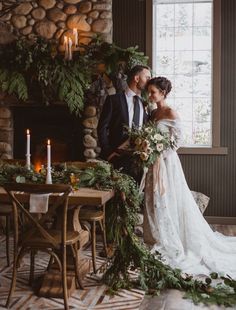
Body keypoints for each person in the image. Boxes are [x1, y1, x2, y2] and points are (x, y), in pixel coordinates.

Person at [143, 76, 236, 277]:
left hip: (167, 163)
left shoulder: (170, 112)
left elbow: (177, 141)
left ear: (163, 93)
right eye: (149, 91)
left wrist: (160, 151)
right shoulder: (151, 113)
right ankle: (155, 237)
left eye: (153, 92)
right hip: (153, 164)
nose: (150, 95)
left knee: (168, 198)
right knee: (152, 200)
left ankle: (172, 239)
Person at [97, 65, 151, 183]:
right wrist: (109, 153)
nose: (149, 81)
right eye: (147, 77)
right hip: (117, 157)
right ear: (136, 78)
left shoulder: (145, 104)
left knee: (136, 196)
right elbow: (101, 128)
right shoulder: (114, 100)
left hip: (139, 160)